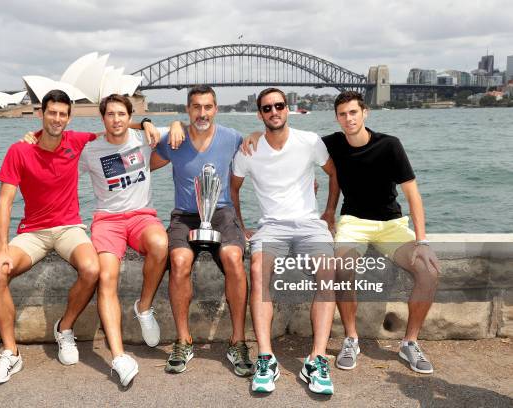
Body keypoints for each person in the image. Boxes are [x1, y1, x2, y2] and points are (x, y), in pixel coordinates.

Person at [0, 89, 101, 384]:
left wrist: (149, 123)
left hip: (68, 228)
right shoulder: (19, 150)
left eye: (63, 114)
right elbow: (5, 202)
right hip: (33, 232)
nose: (57, 119)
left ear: (69, 117)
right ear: (41, 113)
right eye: (52, 113)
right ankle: (11, 354)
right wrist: (1, 249)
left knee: (91, 269)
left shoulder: (76, 141)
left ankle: (64, 328)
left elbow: (116, 128)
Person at [322, 91, 439, 374]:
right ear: (337, 118)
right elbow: (291, 141)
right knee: (341, 268)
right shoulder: (333, 143)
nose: (348, 119)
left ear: (365, 113)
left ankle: (409, 343)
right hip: (353, 222)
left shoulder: (390, 145)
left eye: (353, 112)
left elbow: (413, 195)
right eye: (342, 114)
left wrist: (422, 241)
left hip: (391, 225)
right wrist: (253, 135)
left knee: (429, 271)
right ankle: (352, 338)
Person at [231, 88, 339, 395]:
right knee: (257, 269)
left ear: (288, 109)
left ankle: (316, 359)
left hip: (308, 224)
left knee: (327, 270)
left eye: (279, 106)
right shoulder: (249, 150)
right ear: (260, 115)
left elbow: (334, 173)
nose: (274, 111)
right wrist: (241, 227)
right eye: (267, 108)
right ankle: (266, 357)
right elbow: (233, 188)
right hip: (272, 227)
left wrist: (329, 212)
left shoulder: (309, 142)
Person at [150, 85, 254, 377]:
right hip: (184, 215)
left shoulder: (232, 137)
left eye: (208, 107)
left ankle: (237, 342)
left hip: (221, 214)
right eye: (196, 107)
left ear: (216, 109)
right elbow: (140, 163)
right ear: (188, 110)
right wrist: (164, 126)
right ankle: (183, 341)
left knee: (234, 257)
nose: (202, 113)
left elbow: (260, 154)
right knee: (180, 262)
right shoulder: (175, 140)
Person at [78, 94, 169, 386]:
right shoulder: (90, 150)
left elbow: (185, 130)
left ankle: (143, 308)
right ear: (102, 118)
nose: (116, 119)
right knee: (106, 276)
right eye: (110, 114)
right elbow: (56, 160)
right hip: (107, 221)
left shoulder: (144, 136)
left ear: (130, 117)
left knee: (160, 244)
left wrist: (168, 124)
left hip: (142, 216)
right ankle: (118, 356)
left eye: (121, 114)